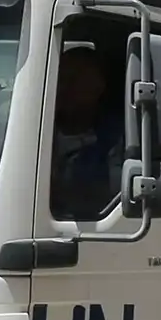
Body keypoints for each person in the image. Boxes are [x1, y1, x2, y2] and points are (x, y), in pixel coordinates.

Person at [51, 42, 123, 219]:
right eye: (59, 79)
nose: (62, 88)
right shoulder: (32, 134)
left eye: (73, 80)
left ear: (98, 87)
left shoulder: (118, 141)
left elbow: (106, 195)